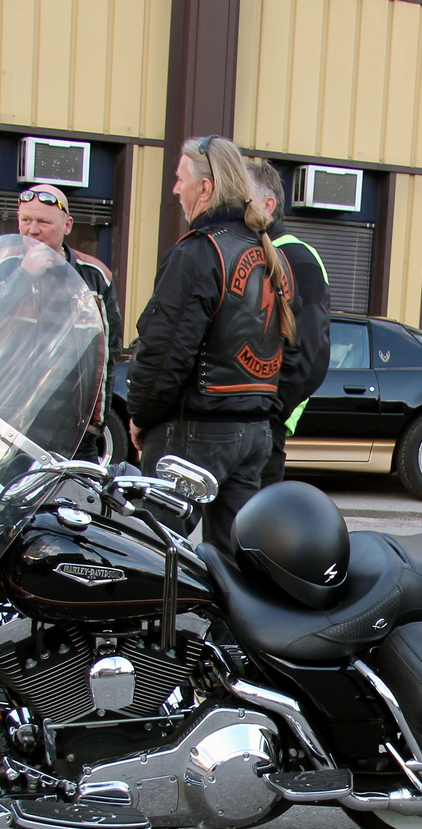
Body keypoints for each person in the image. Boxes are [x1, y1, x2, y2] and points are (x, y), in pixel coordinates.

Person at [126, 136, 298, 549]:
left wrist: (141, 415)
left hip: (195, 429)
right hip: (254, 429)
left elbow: (164, 352)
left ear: (205, 187)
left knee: (154, 555)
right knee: (236, 561)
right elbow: (291, 354)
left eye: (180, 178)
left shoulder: (197, 253)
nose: (175, 189)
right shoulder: (271, 255)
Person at [16, 184, 125, 457]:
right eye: (25, 220)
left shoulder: (95, 275)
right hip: (13, 423)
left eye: (43, 222)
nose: (32, 230)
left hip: (73, 428)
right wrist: (22, 277)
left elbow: (109, 353)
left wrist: (94, 424)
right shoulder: (2, 265)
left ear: (67, 225)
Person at [245, 158, 332, 488]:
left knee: (256, 518)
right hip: (243, 419)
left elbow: (312, 349)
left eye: (242, 197)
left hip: (265, 425)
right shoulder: (246, 251)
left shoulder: (296, 257)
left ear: (268, 205)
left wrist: (273, 412)